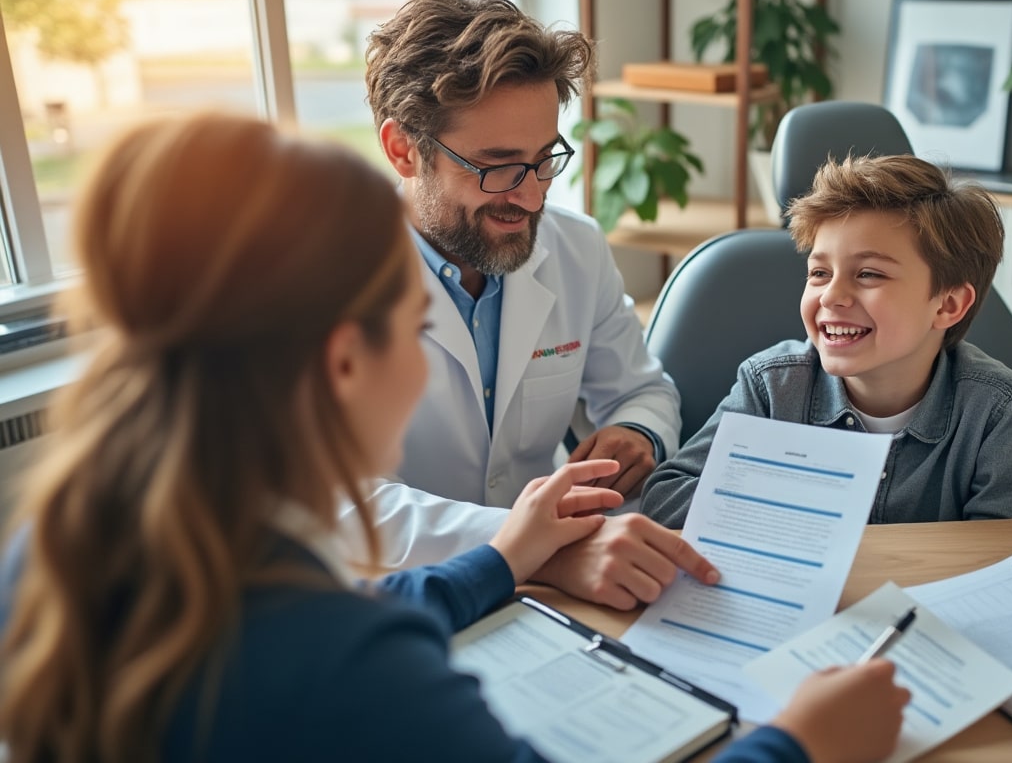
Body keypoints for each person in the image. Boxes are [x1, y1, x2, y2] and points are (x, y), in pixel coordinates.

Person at [0, 114, 910, 763]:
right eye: (409, 319)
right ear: (344, 359)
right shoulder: (351, 671)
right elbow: (340, 647)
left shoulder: (63, 541)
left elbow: (346, 618)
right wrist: (802, 745)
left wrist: (507, 560)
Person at [354, 0, 711, 609]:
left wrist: (637, 434)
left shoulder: (576, 248)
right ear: (403, 150)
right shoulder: (321, 279)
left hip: (552, 597)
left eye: (545, 159)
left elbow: (640, 390)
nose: (530, 196)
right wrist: (530, 548)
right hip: (396, 602)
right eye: (497, 167)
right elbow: (332, 501)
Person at [641, 154, 1012, 528]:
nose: (832, 296)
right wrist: (793, 493)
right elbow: (666, 498)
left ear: (947, 305)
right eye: (819, 273)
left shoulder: (998, 410)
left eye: (869, 274)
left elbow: (1010, 553)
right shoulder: (771, 387)